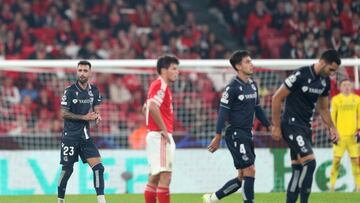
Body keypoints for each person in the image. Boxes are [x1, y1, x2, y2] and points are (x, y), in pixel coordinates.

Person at [271, 49, 341, 203]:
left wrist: (332, 128)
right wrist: (275, 126)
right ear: (323, 62)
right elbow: (276, 98)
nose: (331, 74)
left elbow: (323, 108)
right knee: (310, 163)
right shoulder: (300, 74)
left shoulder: (325, 82)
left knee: (298, 169)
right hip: (291, 124)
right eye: (331, 69)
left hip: (305, 128)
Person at [202, 50, 271, 203]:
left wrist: (269, 125)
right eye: (247, 62)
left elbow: (258, 108)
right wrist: (217, 136)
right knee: (250, 170)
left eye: (251, 61)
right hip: (235, 134)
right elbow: (222, 113)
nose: (251, 64)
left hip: (247, 134)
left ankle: (212, 199)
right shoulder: (231, 88)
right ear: (238, 66)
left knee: (242, 177)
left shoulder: (253, 85)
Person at [58, 60, 105, 203]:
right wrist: (84, 117)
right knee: (67, 171)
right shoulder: (70, 91)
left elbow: (96, 107)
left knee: (99, 168)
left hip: (85, 137)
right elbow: (63, 113)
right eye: (80, 70)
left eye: (85, 71)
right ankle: (60, 200)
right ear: (77, 72)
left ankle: (101, 201)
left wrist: (97, 116)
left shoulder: (94, 91)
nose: (82, 73)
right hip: (70, 136)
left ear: (90, 73)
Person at [143, 55, 179, 203]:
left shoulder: (157, 85)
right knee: (165, 177)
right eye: (174, 69)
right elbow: (151, 107)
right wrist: (164, 130)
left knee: (154, 177)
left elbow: (145, 107)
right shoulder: (161, 85)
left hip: (154, 135)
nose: (177, 72)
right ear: (164, 70)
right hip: (160, 135)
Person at [330, 79, 360, 191]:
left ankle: (358, 187)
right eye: (344, 85)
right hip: (340, 136)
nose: (347, 87)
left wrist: (359, 130)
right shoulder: (336, 100)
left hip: (353, 137)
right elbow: (332, 116)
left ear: (351, 87)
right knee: (336, 162)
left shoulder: (357, 99)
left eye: (348, 85)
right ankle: (332, 187)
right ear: (340, 87)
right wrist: (333, 132)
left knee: (356, 163)